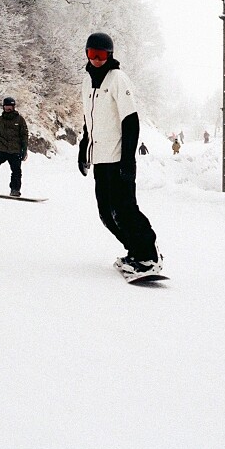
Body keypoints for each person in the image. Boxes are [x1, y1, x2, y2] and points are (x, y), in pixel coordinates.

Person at [78, 32, 161, 275]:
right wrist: (84, 150)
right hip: (100, 158)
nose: (95, 59)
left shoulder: (118, 79)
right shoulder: (86, 82)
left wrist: (128, 160)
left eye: (101, 55)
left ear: (109, 55)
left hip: (118, 158)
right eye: (91, 54)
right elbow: (88, 120)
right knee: (106, 213)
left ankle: (149, 255)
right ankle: (134, 251)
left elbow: (130, 121)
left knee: (125, 210)